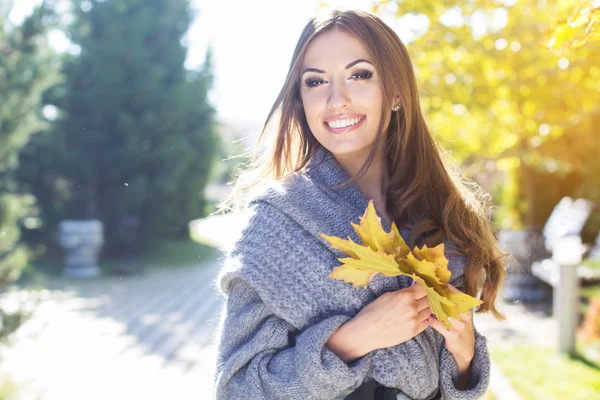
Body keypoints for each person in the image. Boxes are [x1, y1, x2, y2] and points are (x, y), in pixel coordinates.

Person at [212, 8, 506, 400]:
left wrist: (466, 356)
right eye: (315, 82)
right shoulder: (275, 224)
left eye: (360, 74)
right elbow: (236, 390)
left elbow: (444, 380)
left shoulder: (443, 217)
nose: (337, 99)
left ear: (397, 91)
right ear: (301, 100)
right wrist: (350, 341)